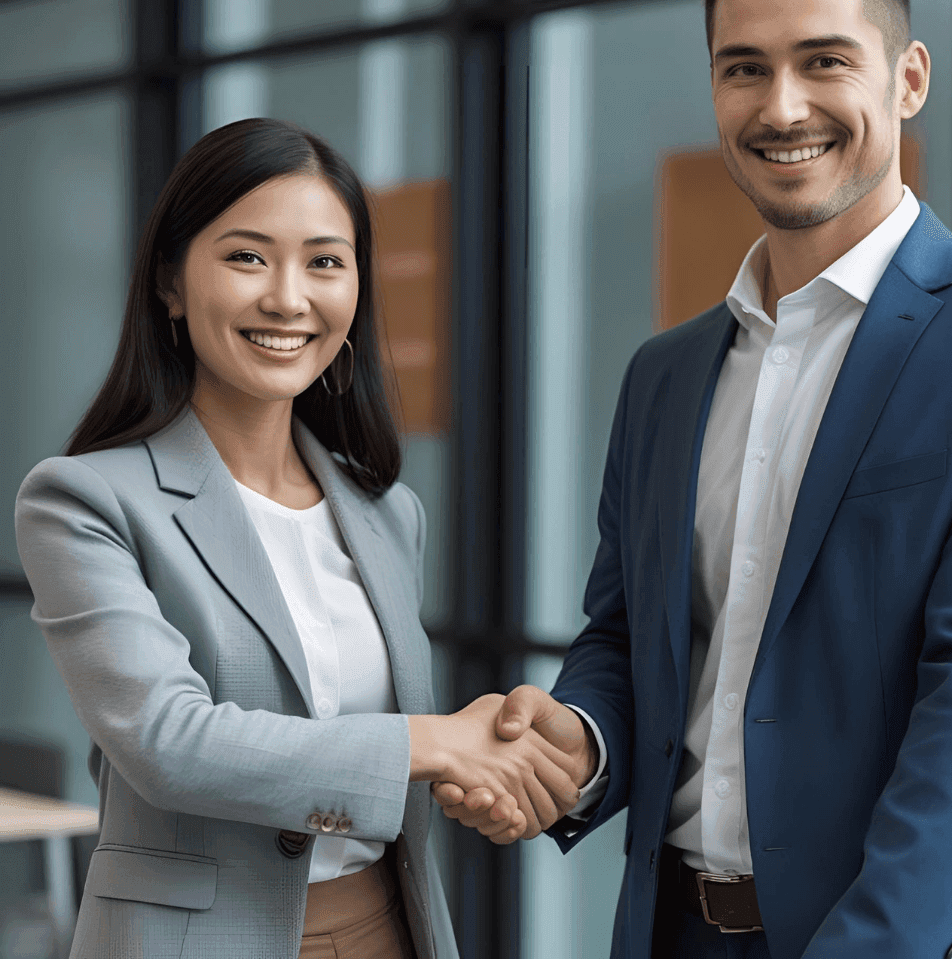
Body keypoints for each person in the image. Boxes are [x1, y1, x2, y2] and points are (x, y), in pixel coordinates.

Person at [434, 0, 952, 959]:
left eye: (825, 61)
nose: (782, 107)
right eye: (745, 68)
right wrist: (580, 744)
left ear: (908, 78)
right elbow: (626, 637)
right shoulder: (664, 374)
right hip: (679, 928)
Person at [13, 118, 580, 959]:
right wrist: (433, 743)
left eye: (324, 262)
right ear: (170, 284)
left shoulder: (387, 512)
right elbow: (169, 743)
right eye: (247, 257)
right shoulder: (86, 501)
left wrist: (485, 774)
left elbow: (375, 762)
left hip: (389, 928)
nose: (288, 298)